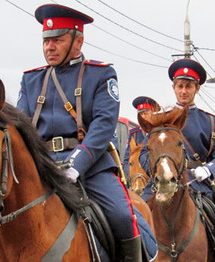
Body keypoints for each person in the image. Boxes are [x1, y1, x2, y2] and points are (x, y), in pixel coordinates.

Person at [16, 4, 151, 261]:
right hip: (41, 166)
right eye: (46, 41)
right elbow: (21, 127)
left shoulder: (100, 74)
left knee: (123, 217)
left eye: (58, 40)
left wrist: (77, 164)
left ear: (78, 42)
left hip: (89, 167)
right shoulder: (30, 80)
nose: (49, 47)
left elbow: (103, 125)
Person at [139, 58, 215, 261]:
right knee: (135, 217)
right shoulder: (160, 118)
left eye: (189, 86)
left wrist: (208, 170)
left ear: (197, 89)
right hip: (161, 183)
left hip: (199, 185)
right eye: (180, 86)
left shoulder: (209, 120)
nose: (184, 91)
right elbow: (143, 154)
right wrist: (157, 171)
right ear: (174, 88)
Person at [122, 96, 159, 178]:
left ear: (153, 113)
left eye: (146, 113)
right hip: (137, 179)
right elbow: (126, 161)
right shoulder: (134, 133)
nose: (143, 117)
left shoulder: (160, 133)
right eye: (140, 114)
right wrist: (134, 176)